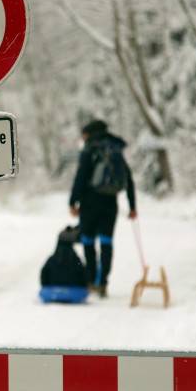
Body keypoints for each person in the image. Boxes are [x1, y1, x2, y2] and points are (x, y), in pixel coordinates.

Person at [69, 119, 137, 297]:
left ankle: (91, 280)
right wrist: (132, 206)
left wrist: (73, 202)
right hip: (110, 203)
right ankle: (103, 283)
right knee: (106, 242)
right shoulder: (115, 149)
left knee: (89, 241)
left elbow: (81, 176)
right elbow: (128, 178)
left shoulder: (90, 149)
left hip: (89, 203)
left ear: (89, 134)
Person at [39, 226, 89, 303]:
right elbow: (83, 274)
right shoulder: (76, 259)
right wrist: (84, 286)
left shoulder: (52, 259)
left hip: (53, 287)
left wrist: (45, 285)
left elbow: (44, 273)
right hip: (74, 290)